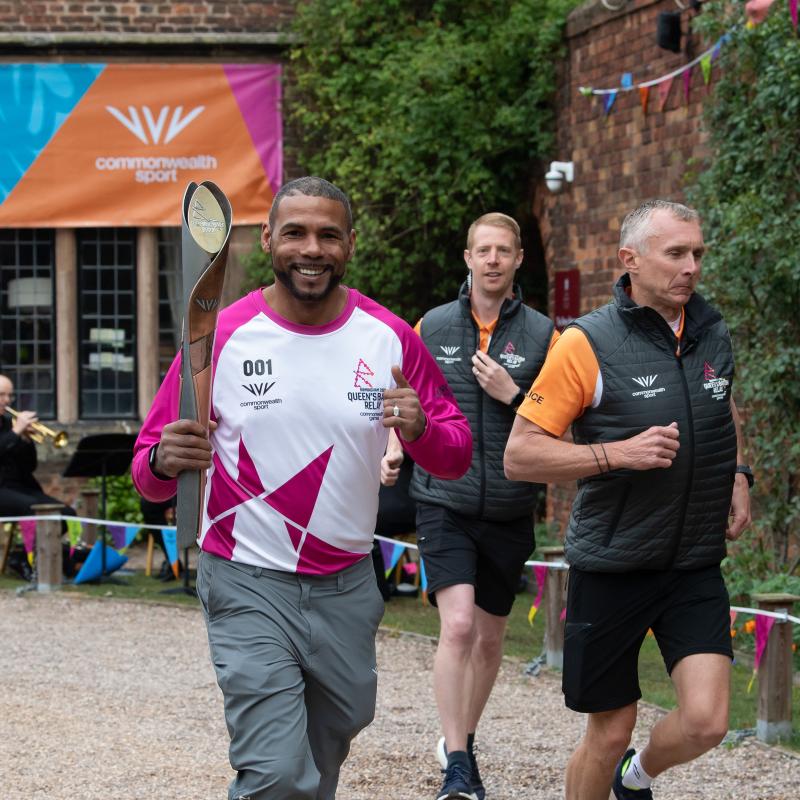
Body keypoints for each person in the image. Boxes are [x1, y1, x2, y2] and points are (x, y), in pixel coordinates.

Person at [132, 176, 472, 800]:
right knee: (276, 774)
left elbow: (455, 456)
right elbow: (150, 477)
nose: (311, 248)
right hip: (246, 577)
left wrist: (422, 429)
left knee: (333, 738)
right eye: (295, 233)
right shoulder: (220, 338)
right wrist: (162, 460)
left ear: (349, 243)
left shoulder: (390, 337)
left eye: (327, 234)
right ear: (268, 240)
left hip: (347, 582)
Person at [504, 200, 752, 800]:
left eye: (697, 254)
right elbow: (522, 455)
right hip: (613, 566)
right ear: (630, 260)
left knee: (707, 722)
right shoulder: (586, 343)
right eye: (676, 254)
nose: (691, 266)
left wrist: (740, 474)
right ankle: (616, 767)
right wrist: (619, 453)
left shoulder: (710, 328)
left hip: (693, 562)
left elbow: (723, 404)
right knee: (609, 732)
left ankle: (637, 778)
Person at [388, 212, 557, 800]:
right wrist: (393, 448)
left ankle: (463, 736)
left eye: (502, 251)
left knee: (489, 641)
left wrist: (512, 394)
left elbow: (562, 421)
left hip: (511, 505)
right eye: (482, 250)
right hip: (444, 497)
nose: (491, 260)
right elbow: (404, 396)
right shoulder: (431, 327)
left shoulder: (544, 335)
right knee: (457, 626)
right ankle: (458, 764)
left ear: (516, 261)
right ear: (467, 258)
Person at [0, 374, 76, 520]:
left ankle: (41, 543)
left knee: (67, 514)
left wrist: (26, 439)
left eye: (10, 395)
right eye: (1, 395)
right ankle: (38, 543)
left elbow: (30, 466)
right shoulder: (14, 428)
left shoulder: (10, 424)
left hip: (20, 488)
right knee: (38, 510)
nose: (7, 401)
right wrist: (16, 432)